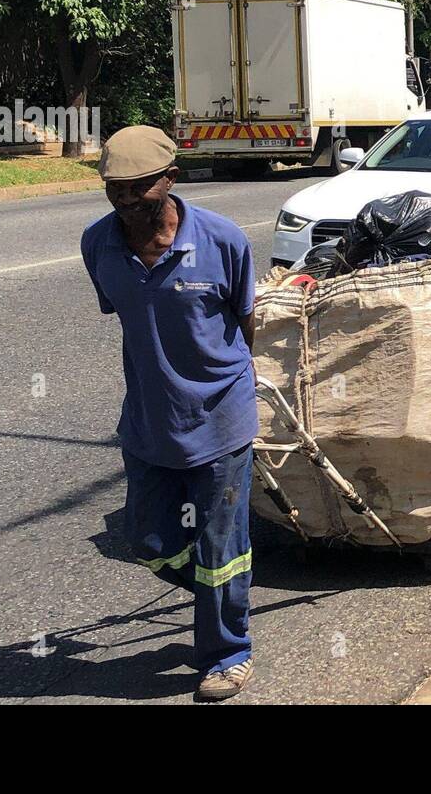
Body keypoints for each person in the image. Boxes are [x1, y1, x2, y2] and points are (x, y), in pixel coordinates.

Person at [80, 125, 259, 702]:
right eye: (115, 191)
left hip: (221, 418)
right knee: (148, 539)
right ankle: (214, 601)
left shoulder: (222, 240)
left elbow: (246, 323)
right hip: (149, 423)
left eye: (139, 188)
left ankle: (226, 653)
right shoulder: (98, 245)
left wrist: (227, 386)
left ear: (170, 179)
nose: (127, 202)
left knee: (219, 546)